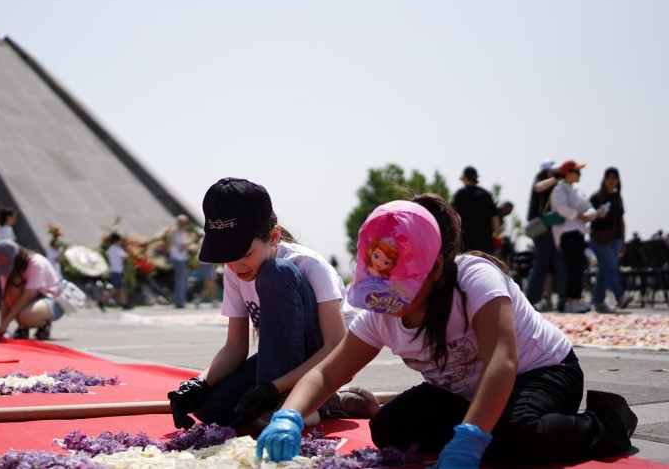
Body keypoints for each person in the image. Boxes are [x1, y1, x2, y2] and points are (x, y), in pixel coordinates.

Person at [256, 195, 638, 467]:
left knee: (513, 437)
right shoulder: (381, 310)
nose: (389, 301)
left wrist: (472, 437)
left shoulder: (474, 277)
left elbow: (501, 363)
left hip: (539, 373)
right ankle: (482, 424)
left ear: (436, 269)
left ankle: (606, 421)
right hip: (458, 390)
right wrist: (288, 416)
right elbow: (327, 372)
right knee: (391, 429)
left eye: (400, 288)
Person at [167, 178, 372, 433]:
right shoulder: (234, 273)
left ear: (274, 236)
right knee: (208, 408)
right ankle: (325, 402)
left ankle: (302, 400)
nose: (235, 266)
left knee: (276, 272)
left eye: (244, 254)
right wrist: (198, 384)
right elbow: (234, 347)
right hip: (276, 361)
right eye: (226, 257)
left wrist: (272, 388)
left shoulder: (309, 265)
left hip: (329, 362)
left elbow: (336, 347)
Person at [0, 239, 63, 341]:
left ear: (16, 257)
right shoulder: (5, 270)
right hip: (30, 300)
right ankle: (23, 327)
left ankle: (43, 323)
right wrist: (1, 327)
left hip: (51, 300)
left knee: (25, 316)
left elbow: (27, 296)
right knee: (13, 285)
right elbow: (5, 298)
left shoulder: (36, 263)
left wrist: (5, 324)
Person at [550, 160, 596, 314]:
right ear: (567, 173)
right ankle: (570, 300)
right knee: (573, 266)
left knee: (578, 267)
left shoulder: (577, 191)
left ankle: (576, 298)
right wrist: (578, 214)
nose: (579, 175)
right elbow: (562, 209)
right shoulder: (559, 190)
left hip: (579, 233)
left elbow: (589, 207)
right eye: (576, 172)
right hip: (566, 234)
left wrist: (589, 214)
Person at [523, 159, 566, 311]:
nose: (554, 173)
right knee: (541, 264)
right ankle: (530, 299)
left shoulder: (556, 186)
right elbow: (538, 187)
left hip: (552, 229)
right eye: (552, 170)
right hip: (541, 230)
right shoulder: (541, 182)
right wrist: (555, 178)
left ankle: (548, 298)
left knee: (551, 265)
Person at [589, 167, 631, 312]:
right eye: (609, 177)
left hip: (615, 239)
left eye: (614, 178)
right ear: (605, 180)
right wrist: (597, 213)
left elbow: (621, 221)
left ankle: (598, 300)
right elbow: (587, 215)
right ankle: (620, 296)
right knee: (611, 267)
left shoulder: (618, 198)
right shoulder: (596, 197)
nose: (612, 180)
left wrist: (623, 242)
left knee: (604, 270)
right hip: (599, 239)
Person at [451, 166, 500, 254]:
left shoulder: (461, 194)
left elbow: (454, 215)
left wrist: (454, 234)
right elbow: (495, 217)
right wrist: (497, 234)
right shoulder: (486, 194)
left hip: (466, 240)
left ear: (464, 177)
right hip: (485, 240)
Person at [168, 214, 193, 308]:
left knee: (184, 279)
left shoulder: (182, 231)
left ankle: (180, 300)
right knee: (180, 280)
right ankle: (179, 302)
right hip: (177, 258)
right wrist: (180, 245)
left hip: (182, 258)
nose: (184, 224)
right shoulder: (174, 229)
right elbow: (170, 238)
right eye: (182, 222)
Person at [98, 233, 128, 310]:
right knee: (115, 289)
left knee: (121, 288)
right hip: (117, 271)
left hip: (114, 269)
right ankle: (102, 300)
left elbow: (107, 257)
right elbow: (124, 257)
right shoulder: (118, 249)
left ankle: (123, 303)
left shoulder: (110, 249)